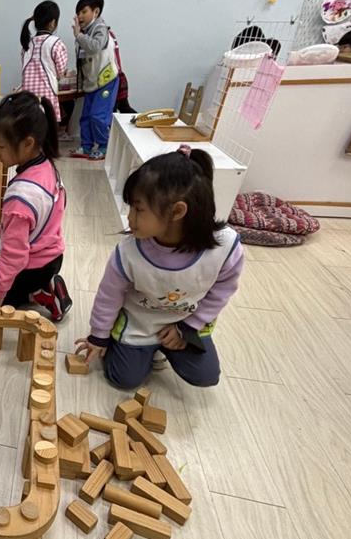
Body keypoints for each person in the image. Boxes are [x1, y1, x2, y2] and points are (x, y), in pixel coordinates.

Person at [75, 146, 244, 389]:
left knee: (206, 376)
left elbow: (222, 291)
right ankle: (132, 348)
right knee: (123, 379)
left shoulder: (225, 247)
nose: (130, 218)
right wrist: (99, 337)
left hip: (186, 322)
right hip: (139, 322)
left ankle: (160, 349)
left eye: (138, 209)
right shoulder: (129, 252)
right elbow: (108, 295)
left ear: (177, 211)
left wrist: (187, 328)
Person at [0, 91, 72, 320]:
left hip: (34, 267)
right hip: (52, 254)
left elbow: (14, 257)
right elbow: (39, 216)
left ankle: (40, 293)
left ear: (28, 143)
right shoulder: (45, 165)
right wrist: (0, 231)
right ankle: (38, 284)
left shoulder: (21, 195)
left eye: (1, 146)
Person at [70, 0, 119, 161]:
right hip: (91, 83)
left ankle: (104, 147)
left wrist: (79, 35)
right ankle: (86, 146)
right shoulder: (84, 32)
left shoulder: (100, 28)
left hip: (106, 81)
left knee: (98, 116)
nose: (80, 16)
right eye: (78, 13)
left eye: (84, 11)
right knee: (85, 117)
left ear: (96, 12)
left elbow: (95, 47)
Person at [20, 0, 69, 122]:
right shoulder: (56, 43)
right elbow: (61, 73)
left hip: (27, 100)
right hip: (46, 98)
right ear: (53, 23)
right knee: (48, 131)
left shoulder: (27, 45)